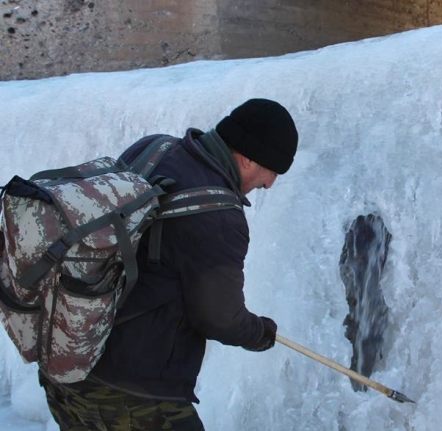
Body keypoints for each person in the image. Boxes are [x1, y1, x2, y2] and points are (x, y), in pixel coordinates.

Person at [38, 98, 298, 430]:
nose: (270, 183)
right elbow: (218, 316)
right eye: (272, 171)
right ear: (248, 157)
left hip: (68, 364)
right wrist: (259, 332)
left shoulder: (153, 148)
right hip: (132, 395)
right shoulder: (220, 217)